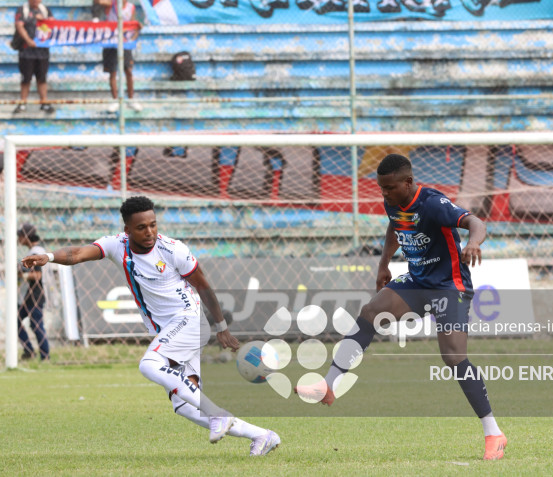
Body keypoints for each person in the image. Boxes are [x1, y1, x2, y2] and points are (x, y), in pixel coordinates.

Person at [21, 196, 280, 456]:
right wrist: (50, 256)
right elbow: (77, 253)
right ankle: (262, 436)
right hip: (171, 330)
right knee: (185, 406)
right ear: (127, 230)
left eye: (153, 225)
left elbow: (202, 285)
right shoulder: (116, 245)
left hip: (189, 320)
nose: (150, 232)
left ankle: (217, 414)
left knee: (149, 364)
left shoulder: (173, 249)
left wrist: (222, 327)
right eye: (141, 227)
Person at [296, 153, 507, 460]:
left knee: (453, 357)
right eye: (382, 189)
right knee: (370, 313)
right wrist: (384, 263)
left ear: (408, 182)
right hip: (418, 282)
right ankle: (329, 386)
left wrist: (473, 243)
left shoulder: (432, 204)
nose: (385, 194)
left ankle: (493, 433)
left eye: (390, 188)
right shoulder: (393, 201)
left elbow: (475, 221)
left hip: (450, 286)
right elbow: (395, 227)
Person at [94, 0, 142, 113]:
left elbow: (133, 24)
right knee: (113, 72)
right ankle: (115, 100)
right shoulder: (111, 4)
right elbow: (97, 0)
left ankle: (131, 99)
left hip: (124, 42)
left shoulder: (131, 7)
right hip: (111, 41)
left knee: (128, 71)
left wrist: (135, 34)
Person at [13, 0, 54, 115]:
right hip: (27, 51)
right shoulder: (23, 10)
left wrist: (44, 20)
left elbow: (53, 23)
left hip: (42, 51)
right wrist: (28, 40)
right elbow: (19, 26)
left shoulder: (45, 10)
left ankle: (44, 102)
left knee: (42, 78)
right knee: (26, 78)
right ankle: (23, 102)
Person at [17, 223, 52, 361]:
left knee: (36, 324)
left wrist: (21, 275)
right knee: (17, 321)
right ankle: (29, 351)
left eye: (20, 235)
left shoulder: (35, 252)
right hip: (28, 296)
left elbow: (37, 276)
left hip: (35, 295)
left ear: (27, 236)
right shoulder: (34, 251)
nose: (18, 238)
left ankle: (45, 356)